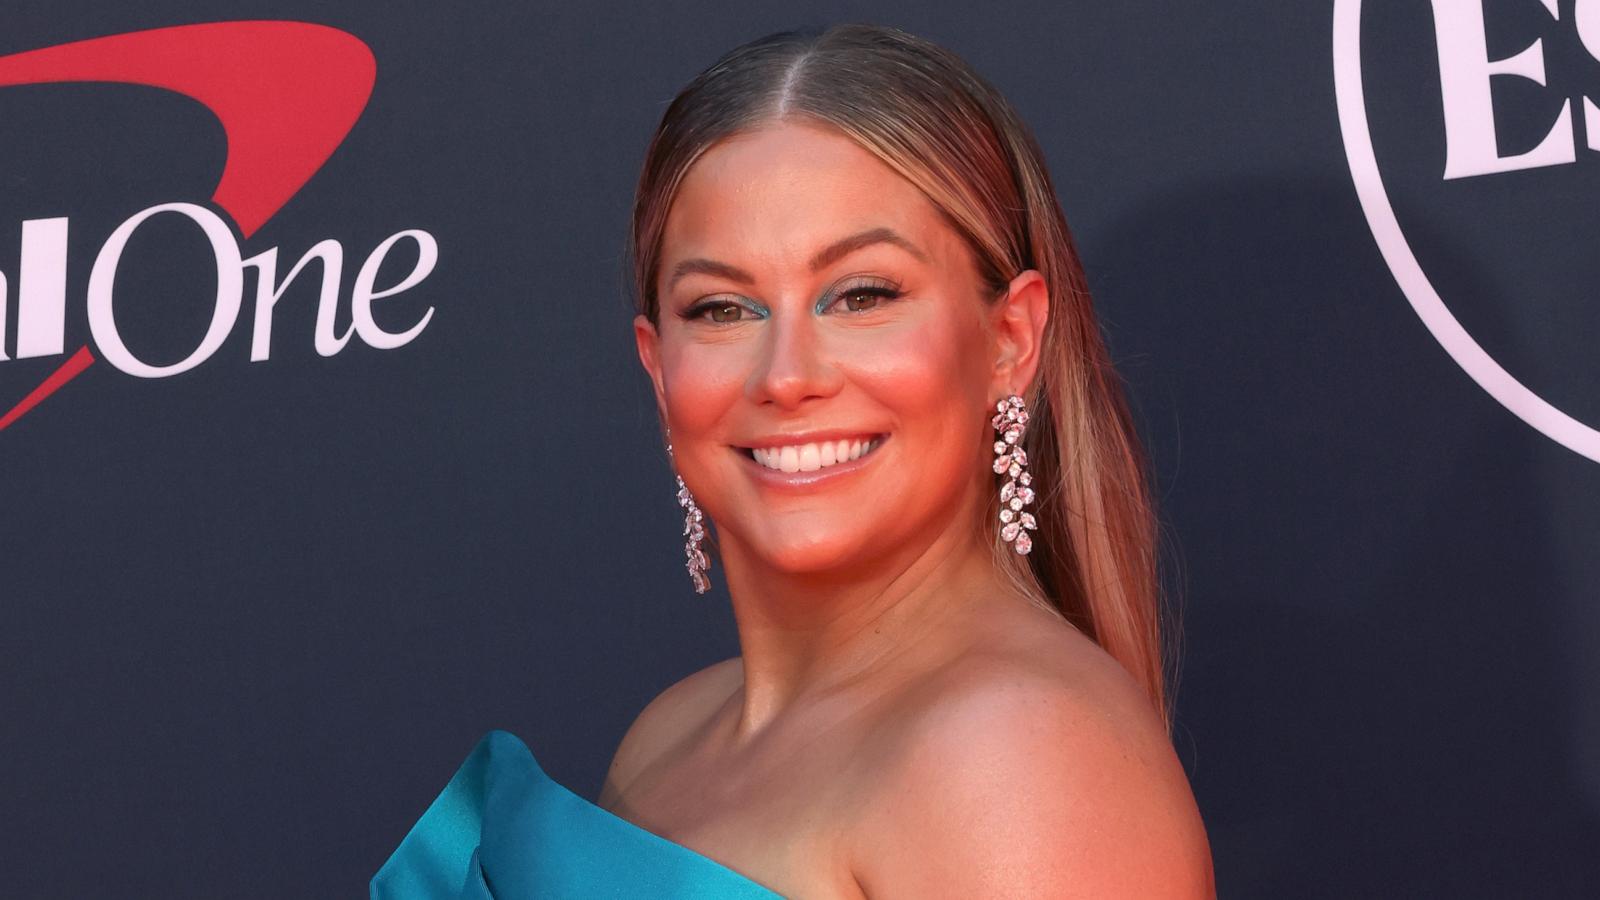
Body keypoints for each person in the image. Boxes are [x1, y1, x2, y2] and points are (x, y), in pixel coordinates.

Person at [372, 22, 1214, 899]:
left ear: (1009, 339)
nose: (785, 377)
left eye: (861, 295)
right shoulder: (666, 738)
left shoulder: (1018, 757)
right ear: (658, 367)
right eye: (723, 309)